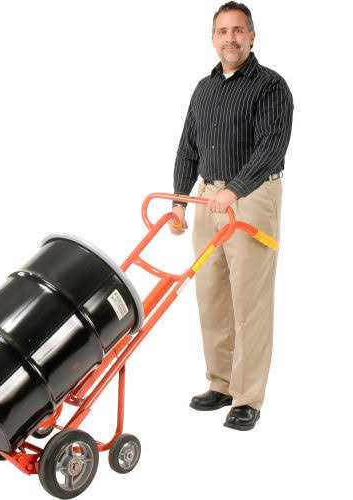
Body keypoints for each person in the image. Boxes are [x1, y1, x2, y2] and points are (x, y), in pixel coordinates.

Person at [168, 2, 293, 430]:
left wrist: (235, 190)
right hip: (208, 200)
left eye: (239, 31)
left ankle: (247, 397)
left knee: (249, 301)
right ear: (213, 38)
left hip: (252, 197)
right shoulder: (204, 89)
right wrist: (180, 201)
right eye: (223, 31)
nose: (230, 38)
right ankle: (220, 383)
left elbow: (271, 147)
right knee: (212, 295)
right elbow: (188, 148)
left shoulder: (270, 86)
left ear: (252, 37)